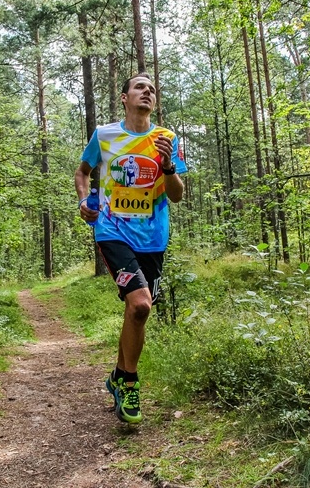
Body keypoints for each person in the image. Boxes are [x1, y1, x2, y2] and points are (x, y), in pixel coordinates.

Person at [74, 73, 187, 424]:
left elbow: (177, 194)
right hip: (112, 231)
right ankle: (131, 383)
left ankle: (119, 376)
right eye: (140, 87)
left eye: (152, 89)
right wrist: (83, 200)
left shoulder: (166, 139)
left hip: (153, 237)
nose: (147, 92)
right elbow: (83, 172)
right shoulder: (105, 136)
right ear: (125, 97)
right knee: (139, 303)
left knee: (139, 311)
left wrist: (168, 166)